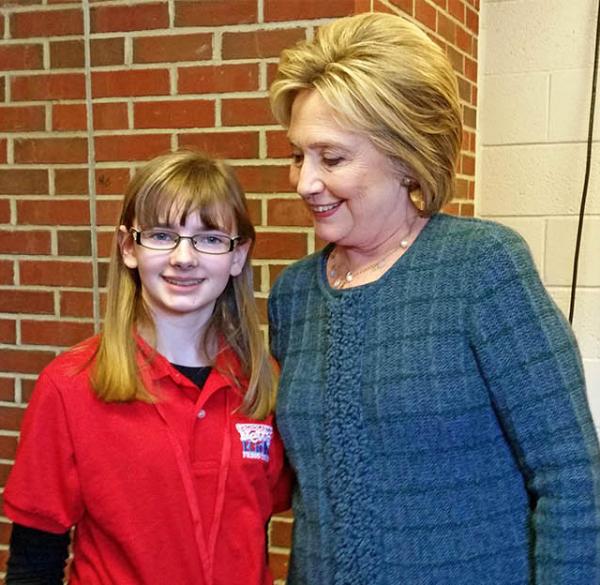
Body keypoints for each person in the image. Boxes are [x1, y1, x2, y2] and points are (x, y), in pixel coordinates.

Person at [267, 12, 600, 585]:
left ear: (404, 156)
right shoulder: (294, 294)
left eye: (332, 157)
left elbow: (570, 477)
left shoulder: (481, 268)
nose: (304, 181)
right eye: (298, 154)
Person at [4, 150, 291, 584]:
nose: (183, 258)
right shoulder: (71, 386)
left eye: (210, 239)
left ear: (238, 256)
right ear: (128, 248)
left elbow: (253, 528)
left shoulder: (262, 383)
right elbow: (33, 565)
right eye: (161, 235)